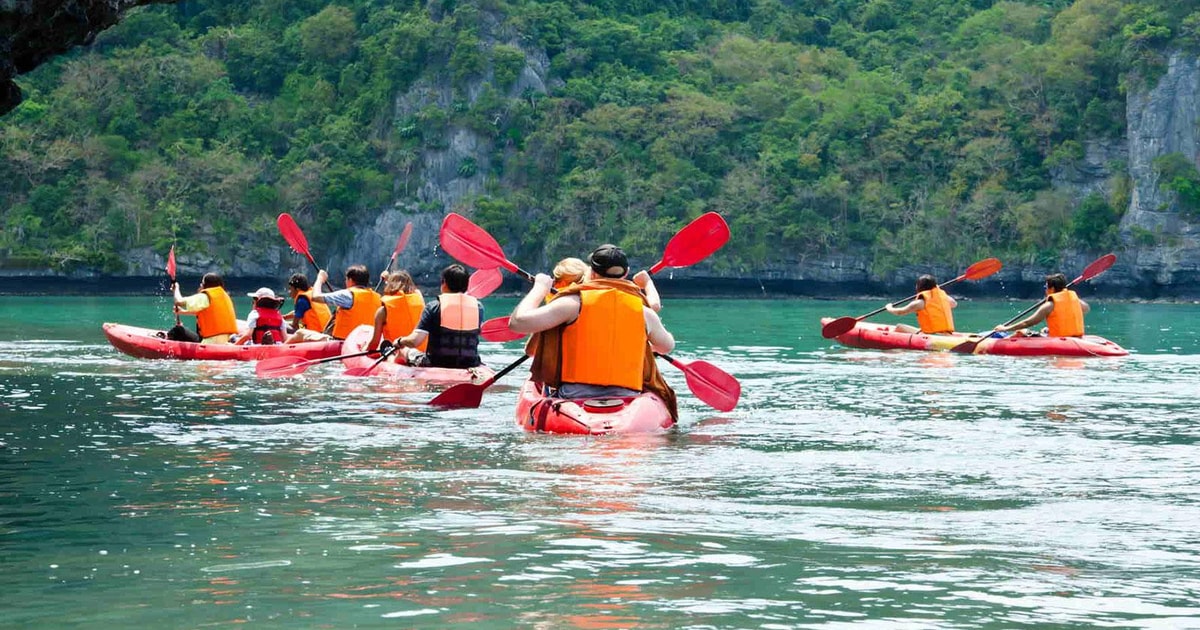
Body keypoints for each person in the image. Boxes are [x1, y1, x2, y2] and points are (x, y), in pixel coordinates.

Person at [508, 244, 677, 417]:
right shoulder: (644, 312)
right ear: (626, 273)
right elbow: (666, 346)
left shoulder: (572, 304)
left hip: (574, 396)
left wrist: (540, 288)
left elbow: (517, 323)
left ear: (592, 273)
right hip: (628, 397)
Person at [392, 264, 484, 369]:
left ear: (444, 283)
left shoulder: (434, 306)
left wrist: (399, 341)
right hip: (470, 363)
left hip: (437, 363)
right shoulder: (478, 307)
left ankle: (393, 370)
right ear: (466, 285)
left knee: (405, 350)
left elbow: (415, 341)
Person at [994, 273, 1090, 337]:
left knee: (1022, 332)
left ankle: (1002, 340)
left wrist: (1005, 328)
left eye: (1046, 287)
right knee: (1045, 330)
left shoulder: (1049, 305)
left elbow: (1027, 323)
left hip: (1059, 340)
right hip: (1076, 338)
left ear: (1051, 288)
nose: (1045, 290)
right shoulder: (1076, 300)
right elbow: (1086, 309)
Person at [311, 264, 382, 340]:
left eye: (346, 280)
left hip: (343, 342)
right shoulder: (378, 298)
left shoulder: (347, 295)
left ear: (350, 280)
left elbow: (315, 297)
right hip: (365, 342)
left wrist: (320, 279)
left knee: (301, 333)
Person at [367, 270, 426, 355]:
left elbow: (374, 344)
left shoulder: (382, 311)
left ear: (389, 285)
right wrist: (389, 279)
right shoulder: (420, 302)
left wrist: (364, 348)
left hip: (397, 356)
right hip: (422, 353)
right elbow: (415, 292)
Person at [172, 273, 238, 344]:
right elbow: (206, 312)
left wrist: (176, 289)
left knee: (178, 330)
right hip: (225, 340)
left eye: (202, 283)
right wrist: (183, 312)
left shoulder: (206, 296)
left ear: (206, 285)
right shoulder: (224, 296)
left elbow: (179, 301)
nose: (200, 285)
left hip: (211, 342)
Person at [885, 274, 957, 334]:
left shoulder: (920, 303)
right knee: (920, 329)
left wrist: (889, 308)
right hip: (946, 334)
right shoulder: (944, 299)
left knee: (899, 327)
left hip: (931, 335)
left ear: (919, 287)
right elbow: (954, 304)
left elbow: (900, 312)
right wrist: (937, 291)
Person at [283, 273, 332, 342]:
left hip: (317, 333)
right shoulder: (312, 294)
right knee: (288, 323)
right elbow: (297, 312)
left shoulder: (301, 300)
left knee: (284, 326)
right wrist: (284, 317)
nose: (289, 292)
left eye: (290, 289)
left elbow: (294, 325)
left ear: (297, 289)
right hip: (327, 330)